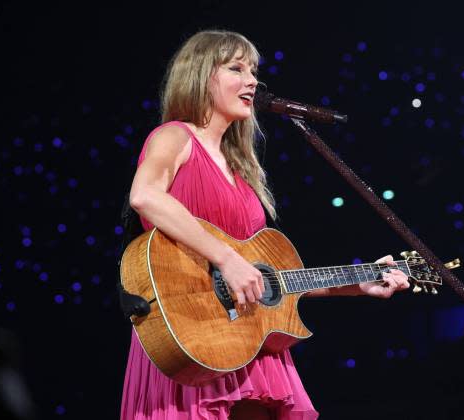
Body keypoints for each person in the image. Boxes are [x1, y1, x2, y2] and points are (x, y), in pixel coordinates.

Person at [121, 29, 410, 420]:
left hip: (250, 344)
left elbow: (266, 283)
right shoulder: (174, 137)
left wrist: (357, 284)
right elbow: (146, 196)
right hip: (191, 334)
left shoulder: (242, 170)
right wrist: (227, 258)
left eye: (254, 70)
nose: (252, 80)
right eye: (236, 68)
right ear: (201, 76)